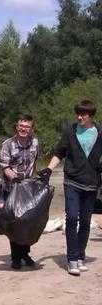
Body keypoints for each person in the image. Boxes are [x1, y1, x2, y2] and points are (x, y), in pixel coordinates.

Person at [38, 100, 102, 276]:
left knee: (86, 222)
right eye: (78, 113)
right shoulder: (70, 131)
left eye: (83, 114)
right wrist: (49, 169)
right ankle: (72, 259)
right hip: (72, 182)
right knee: (72, 218)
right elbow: (60, 152)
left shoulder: (100, 132)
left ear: (91, 115)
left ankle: (80, 256)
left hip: (91, 183)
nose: (79, 117)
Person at [0, 114, 39, 269]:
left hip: (29, 188)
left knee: (29, 221)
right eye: (21, 126)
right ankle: (16, 257)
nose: (23, 129)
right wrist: (14, 178)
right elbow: (5, 166)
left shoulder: (35, 143)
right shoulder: (7, 144)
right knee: (15, 223)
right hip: (12, 188)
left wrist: (34, 180)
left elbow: (34, 163)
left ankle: (25, 253)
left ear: (31, 129)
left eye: (27, 126)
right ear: (17, 127)